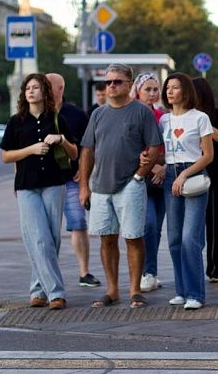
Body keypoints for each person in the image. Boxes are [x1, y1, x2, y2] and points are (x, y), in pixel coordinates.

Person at [79, 64, 162, 309]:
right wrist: (84, 186)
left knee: (134, 237)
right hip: (100, 187)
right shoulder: (98, 114)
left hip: (130, 184)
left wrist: (139, 175)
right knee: (106, 239)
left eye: (117, 81)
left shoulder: (141, 112)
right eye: (108, 82)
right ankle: (112, 290)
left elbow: (154, 147)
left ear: (129, 84)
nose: (112, 86)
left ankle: (135, 290)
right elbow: (87, 150)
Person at [0, 73, 78, 310]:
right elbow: (6, 156)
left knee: (51, 240)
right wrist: (31, 149)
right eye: (27, 88)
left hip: (54, 184)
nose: (31, 92)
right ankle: (56, 293)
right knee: (39, 238)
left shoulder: (56, 119)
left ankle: (37, 290)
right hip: (27, 186)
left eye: (35, 87)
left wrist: (61, 139)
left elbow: (74, 153)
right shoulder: (16, 121)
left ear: (45, 91)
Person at [160, 73, 214, 310]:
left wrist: (184, 174)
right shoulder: (164, 120)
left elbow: (208, 155)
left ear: (186, 91)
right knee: (174, 239)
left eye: (175, 87)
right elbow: (161, 152)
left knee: (189, 238)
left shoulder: (200, 118)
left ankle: (195, 294)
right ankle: (181, 290)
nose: (170, 92)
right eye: (168, 88)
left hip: (193, 176)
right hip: (169, 176)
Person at [45, 73, 100, 288]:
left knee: (78, 223)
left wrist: (86, 172)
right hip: (44, 180)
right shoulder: (37, 113)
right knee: (45, 229)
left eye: (47, 86)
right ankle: (47, 273)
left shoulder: (76, 115)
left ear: (60, 88)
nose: (43, 89)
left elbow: (90, 146)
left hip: (71, 179)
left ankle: (84, 272)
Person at [192, 77, 218, 282]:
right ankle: (193, 265)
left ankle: (216, 266)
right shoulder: (184, 116)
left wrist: (205, 124)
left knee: (214, 221)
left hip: (214, 173)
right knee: (193, 222)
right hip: (191, 172)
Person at [131, 72, 168, 292]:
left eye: (155, 89)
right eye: (148, 89)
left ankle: (151, 273)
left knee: (156, 229)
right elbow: (129, 147)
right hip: (141, 178)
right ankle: (147, 272)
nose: (152, 93)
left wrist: (164, 168)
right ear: (138, 91)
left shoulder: (163, 117)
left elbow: (172, 146)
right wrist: (153, 166)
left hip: (162, 179)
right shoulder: (131, 114)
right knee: (148, 225)